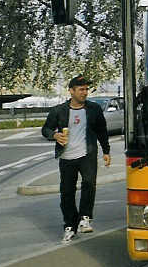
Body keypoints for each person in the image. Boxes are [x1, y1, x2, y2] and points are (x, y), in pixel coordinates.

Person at [41, 76, 111, 243]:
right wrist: (54, 135)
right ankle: (70, 226)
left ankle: (85, 218)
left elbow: (102, 130)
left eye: (86, 89)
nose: (84, 92)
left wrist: (106, 151)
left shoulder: (94, 109)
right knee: (66, 193)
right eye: (81, 89)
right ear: (71, 91)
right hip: (66, 157)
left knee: (89, 183)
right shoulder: (58, 110)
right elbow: (46, 129)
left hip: (87, 154)